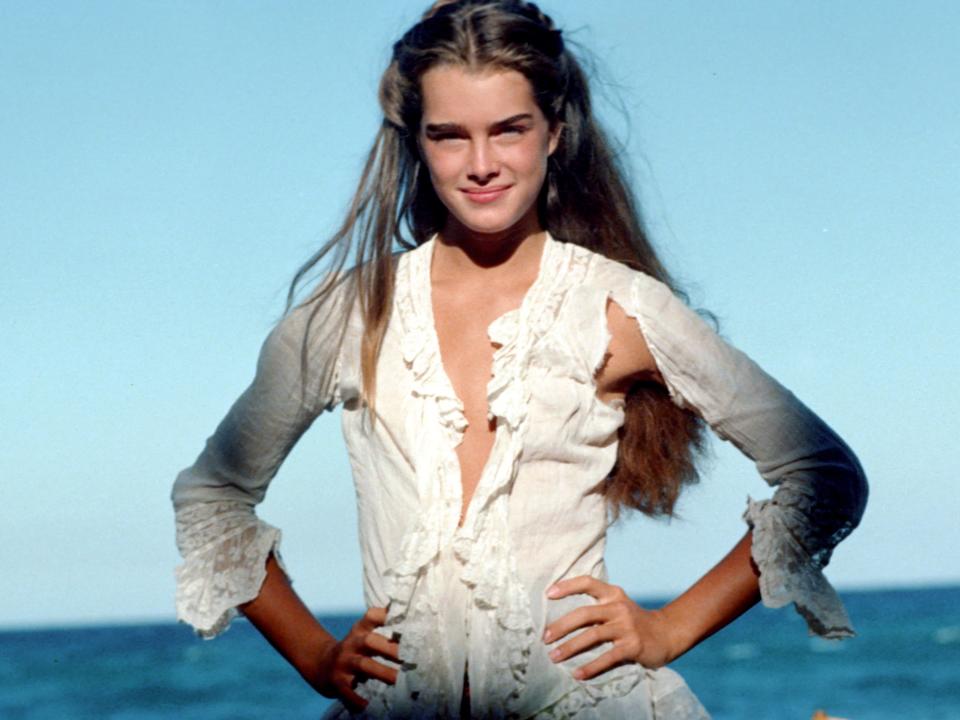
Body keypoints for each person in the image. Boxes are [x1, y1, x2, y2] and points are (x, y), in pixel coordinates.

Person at [171, 1, 868, 718]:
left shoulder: (617, 307)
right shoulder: (353, 312)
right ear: (416, 143)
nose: (481, 165)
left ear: (554, 134)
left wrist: (669, 627)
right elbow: (212, 497)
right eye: (449, 136)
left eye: (509, 129)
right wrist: (317, 657)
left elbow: (825, 476)